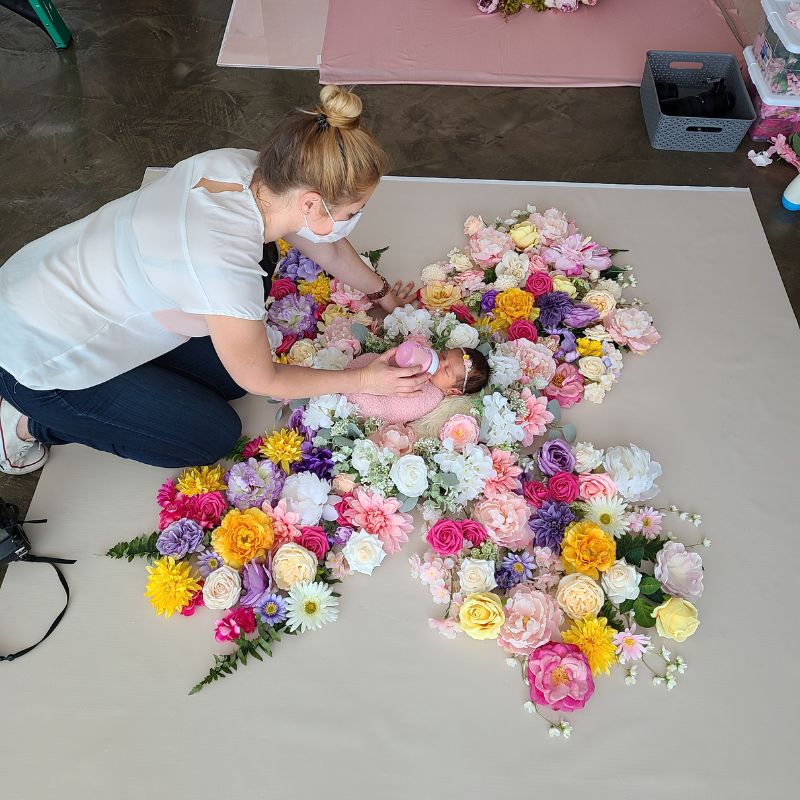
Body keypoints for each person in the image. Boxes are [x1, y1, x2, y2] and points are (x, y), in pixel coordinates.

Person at [0, 86, 425, 474]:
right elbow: (263, 380)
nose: (353, 221)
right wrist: (364, 380)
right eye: (353, 213)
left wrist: (382, 294)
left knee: (225, 372)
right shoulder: (223, 268)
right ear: (311, 202)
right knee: (209, 436)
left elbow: (326, 246)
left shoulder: (240, 167)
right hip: (36, 356)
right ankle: (26, 423)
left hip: (49, 282)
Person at [345, 347, 490, 424]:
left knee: (378, 405)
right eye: (444, 356)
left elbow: (403, 408)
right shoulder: (426, 360)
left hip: (375, 400)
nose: (440, 363)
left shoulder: (431, 397)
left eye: (446, 370)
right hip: (367, 374)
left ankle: (358, 396)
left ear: (452, 390)